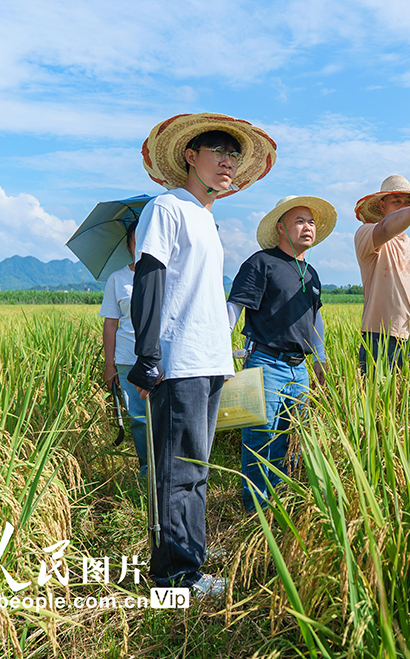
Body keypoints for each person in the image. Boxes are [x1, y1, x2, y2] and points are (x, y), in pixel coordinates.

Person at [127, 112, 277, 596]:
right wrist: (148, 353)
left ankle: (191, 563)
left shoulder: (206, 218)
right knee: (178, 471)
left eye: (234, 155)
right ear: (191, 156)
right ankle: (173, 577)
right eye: (219, 152)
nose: (228, 162)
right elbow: (150, 277)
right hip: (180, 361)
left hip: (210, 361)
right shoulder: (167, 207)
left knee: (196, 469)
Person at [227, 195, 334, 510]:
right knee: (261, 439)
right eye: (299, 221)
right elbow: (234, 308)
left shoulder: (311, 273)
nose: (307, 227)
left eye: (311, 222)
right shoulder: (261, 263)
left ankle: (284, 506)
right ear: (280, 227)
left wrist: (321, 358)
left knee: (293, 440)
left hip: (299, 369)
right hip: (265, 363)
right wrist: (219, 353)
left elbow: (315, 318)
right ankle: (256, 512)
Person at [353, 175, 410, 372]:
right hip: (379, 337)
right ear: (382, 205)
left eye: (408, 202)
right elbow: (386, 228)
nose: (403, 206)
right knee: (376, 391)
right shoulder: (368, 234)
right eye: (397, 201)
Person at [99, 227, 147, 475]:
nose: (142, 246)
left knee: (165, 415)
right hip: (128, 358)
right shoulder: (117, 279)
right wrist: (110, 365)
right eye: (136, 241)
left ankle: (169, 465)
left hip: (164, 358)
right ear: (128, 245)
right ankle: (146, 467)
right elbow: (111, 323)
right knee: (138, 417)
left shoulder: (169, 274)